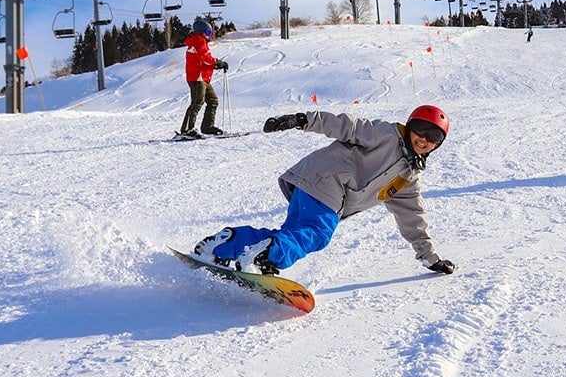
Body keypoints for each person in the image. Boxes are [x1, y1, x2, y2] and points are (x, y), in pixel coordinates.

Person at [192, 105, 455, 276]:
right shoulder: (386, 134)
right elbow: (346, 126)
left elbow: (413, 219)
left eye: (434, 138)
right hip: (326, 180)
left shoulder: (408, 179)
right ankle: (264, 257)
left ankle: (225, 244)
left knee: (295, 234)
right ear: (410, 127)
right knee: (318, 233)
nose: (425, 140)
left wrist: (429, 258)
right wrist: (301, 120)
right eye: (421, 131)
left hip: (315, 186)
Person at [179, 18, 229, 138]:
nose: (210, 35)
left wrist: (215, 65)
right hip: (197, 78)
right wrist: (217, 62)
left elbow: (203, 61)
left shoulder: (200, 42)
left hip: (203, 78)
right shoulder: (198, 41)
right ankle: (187, 130)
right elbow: (205, 58)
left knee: (213, 101)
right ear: (201, 32)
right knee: (197, 102)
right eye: (208, 32)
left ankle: (207, 127)